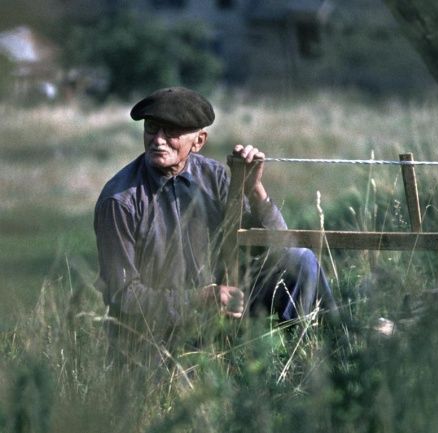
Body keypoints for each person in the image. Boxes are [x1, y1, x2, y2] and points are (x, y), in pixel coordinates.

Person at [94, 87, 336, 361]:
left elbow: (277, 247)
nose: (158, 140)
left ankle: (322, 358)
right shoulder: (120, 201)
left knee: (300, 261)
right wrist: (202, 298)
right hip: (155, 336)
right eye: (152, 128)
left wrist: (254, 189)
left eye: (171, 131)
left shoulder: (216, 178)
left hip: (224, 311)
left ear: (199, 141)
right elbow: (123, 296)